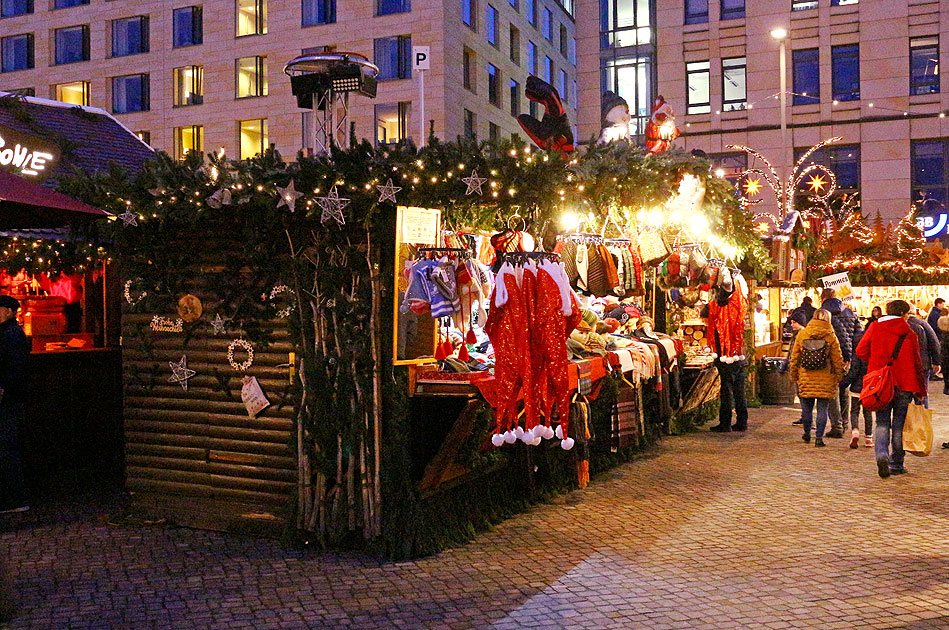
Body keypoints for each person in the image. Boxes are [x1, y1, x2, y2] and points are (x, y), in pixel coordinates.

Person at [855, 299, 926, 478]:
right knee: (899, 425)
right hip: (905, 383)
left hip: (880, 384)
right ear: (904, 314)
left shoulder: (874, 327)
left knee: (882, 422)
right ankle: (897, 463)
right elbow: (918, 363)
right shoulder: (910, 333)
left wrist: (876, 360)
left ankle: (881, 455)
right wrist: (921, 391)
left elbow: (861, 351)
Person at [789, 309, 845, 447]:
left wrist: (794, 374)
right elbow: (837, 359)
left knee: (806, 409)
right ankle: (819, 438)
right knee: (822, 409)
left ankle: (807, 433)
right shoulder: (830, 336)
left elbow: (795, 357)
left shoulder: (802, 334)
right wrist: (839, 375)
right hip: (826, 377)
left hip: (806, 376)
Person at [0, 295, 29, 514]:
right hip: (10, 398)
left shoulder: (11, 334)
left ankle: (15, 498)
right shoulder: (10, 333)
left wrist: (4, 389)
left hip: (9, 400)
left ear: (10, 311)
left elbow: (14, 368)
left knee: (7, 448)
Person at [820, 288, 862, 438]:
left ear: (823, 298)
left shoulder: (822, 313)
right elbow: (859, 336)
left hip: (830, 356)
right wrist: (852, 355)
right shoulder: (851, 313)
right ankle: (844, 422)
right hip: (849, 358)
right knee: (844, 389)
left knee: (832, 391)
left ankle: (837, 425)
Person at [840, 324, 873, 448]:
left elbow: (853, 372)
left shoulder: (858, 354)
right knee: (868, 412)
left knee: (854, 411)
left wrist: (843, 383)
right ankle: (869, 437)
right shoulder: (873, 353)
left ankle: (855, 432)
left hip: (856, 388)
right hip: (869, 387)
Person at [906, 310, 941, 397]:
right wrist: (936, 362)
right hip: (923, 362)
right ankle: (922, 408)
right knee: (922, 392)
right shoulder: (922, 324)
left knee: (905, 393)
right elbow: (934, 342)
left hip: (905, 364)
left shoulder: (900, 325)